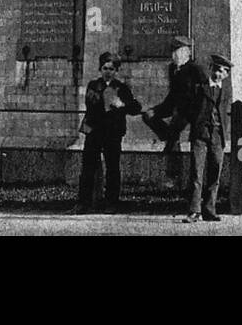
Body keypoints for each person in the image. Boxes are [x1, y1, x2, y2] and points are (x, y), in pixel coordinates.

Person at [73, 52, 143, 214]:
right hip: (95, 131)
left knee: (113, 168)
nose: (108, 72)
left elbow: (135, 107)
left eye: (111, 69)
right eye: (105, 68)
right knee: (88, 167)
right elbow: (91, 103)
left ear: (116, 70)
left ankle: (112, 202)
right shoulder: (94, 85)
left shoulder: (121, 88)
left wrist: (121, 104)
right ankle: (84, 202)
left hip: (113, 133)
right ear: (100, 69)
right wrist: (105, 98)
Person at [142, 35, 204, 184]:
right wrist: (157, 110)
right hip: (175, 108)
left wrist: (187, 111)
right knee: (148, 116)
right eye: (173, 52)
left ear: (188, 52)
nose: (174, 55)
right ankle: (169, 139)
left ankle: (174, 173)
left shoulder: (195, 70)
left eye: (178, 51)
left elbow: (201, 96)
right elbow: (172, 95)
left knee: (175, 128)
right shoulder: (173, 69)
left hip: (191, 111)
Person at [184, 53, 231, 222]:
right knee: (197, 172)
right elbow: (189, 109)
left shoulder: (224, 90)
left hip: (218, 136)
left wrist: (223, 132)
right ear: (211, 69)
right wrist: (197, 124)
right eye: (217, 70)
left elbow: (224, 113)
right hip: (200, 135)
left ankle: (210, 209)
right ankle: (194, 211)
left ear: (226, 75)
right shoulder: (199, 88)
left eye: (224, 72)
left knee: (215, 172)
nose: (219, 74)